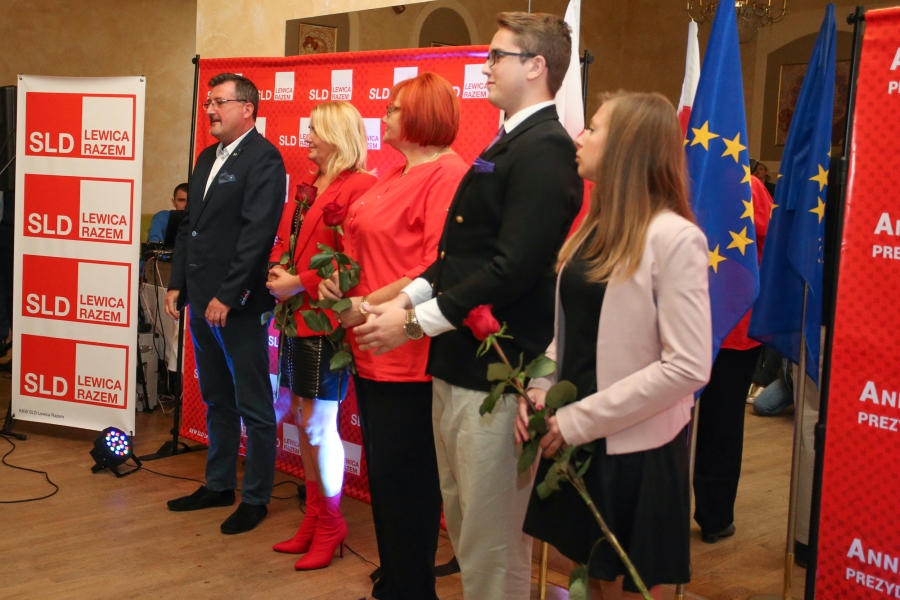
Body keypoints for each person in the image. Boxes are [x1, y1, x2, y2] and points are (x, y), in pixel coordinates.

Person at [352, 13, 582, 599]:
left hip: (497, 374)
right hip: (458, 365)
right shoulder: (508, 141)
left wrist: (413, 323)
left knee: (491, 546)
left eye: (498, 56)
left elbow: (512, 268)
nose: (486, 68)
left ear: (536, 66)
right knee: (464, 525)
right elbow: (459, 256)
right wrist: (408, 299)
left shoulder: (547, 149)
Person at [518, 92, 712, 599]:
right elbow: (568, 331)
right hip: (579, 433)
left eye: (594, 128)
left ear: (627, 147)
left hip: (635, 446)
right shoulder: (594, 229)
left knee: (631, 585)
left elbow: (688, 367)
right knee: (591, 575)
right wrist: (541, 386)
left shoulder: (675, 238)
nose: (580, 137)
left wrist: (578, 420)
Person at [318, 72, 468, 600]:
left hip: (410, 350)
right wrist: (339, 282)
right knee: (387, 477)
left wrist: (366, 305)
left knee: (408, 481)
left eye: (394, 109)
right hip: (369, 343)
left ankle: (410, 586)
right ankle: (399, 575)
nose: (383, 117)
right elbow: (361, 249)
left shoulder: (448, 174)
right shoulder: (395, 172)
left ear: (424, 116)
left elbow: (434, 268)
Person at [164, 73, 286, 535]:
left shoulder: (264, 158)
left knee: (253, 405)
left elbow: (257, 235)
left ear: (247, 108)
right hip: (200, 300)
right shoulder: (206, 157)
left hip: (237, 305)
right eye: (208, 103)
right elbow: (189, 226)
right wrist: (177, 284)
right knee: (216, 396)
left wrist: (228, 295)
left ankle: (255, 497)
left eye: (219, 102)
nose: (211, 110)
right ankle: (218, 485)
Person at [266, 101, 376, 569]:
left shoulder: (361, 186)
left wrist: (298, 282)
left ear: (337, 134)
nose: (307, 137)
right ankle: (315, 517)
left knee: (317, 424)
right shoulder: (311, 185)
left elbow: (355, 264)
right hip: (296, 317)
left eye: (315, 130)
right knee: (300, 416)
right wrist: (280, 270)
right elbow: (292, 243)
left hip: (326, 322)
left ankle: (331, 523)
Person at [692, 175, 771, 544]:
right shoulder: (748, 185)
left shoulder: (683, 175)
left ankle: (670, 516)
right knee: (722, 426)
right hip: (734, 325)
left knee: (674, 422)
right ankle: (715, 516)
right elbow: (771, 241)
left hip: (697, 324)